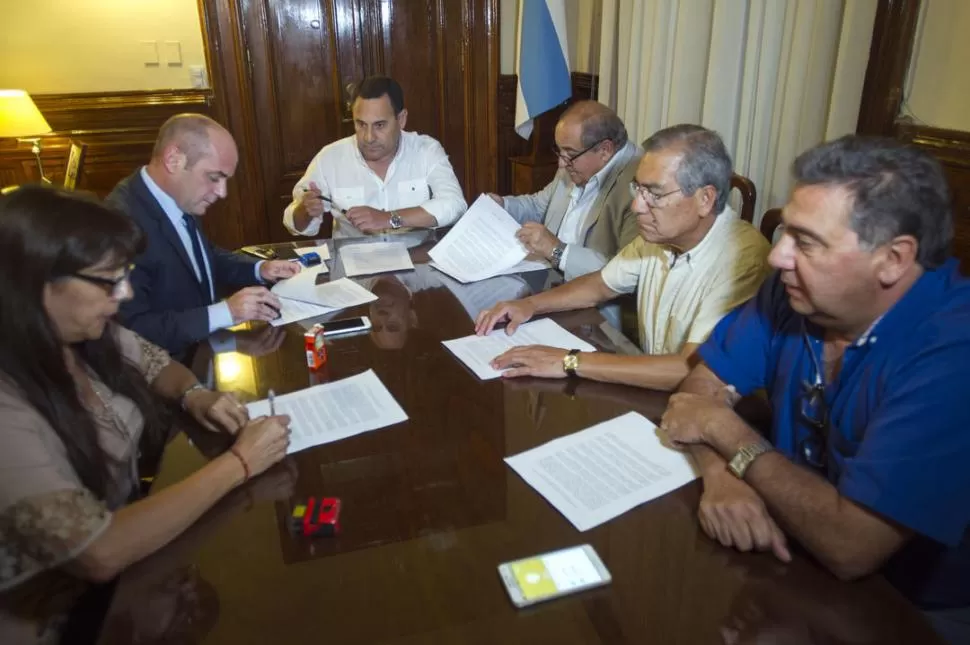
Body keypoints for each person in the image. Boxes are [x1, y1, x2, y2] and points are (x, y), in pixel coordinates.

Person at [659, 136, 970, 644]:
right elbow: (699, 388)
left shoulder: (955, 353)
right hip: (793, 549)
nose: (778, 256)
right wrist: (722, 479)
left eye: (805, 242)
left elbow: (851, 547)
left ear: (893, 259)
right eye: (784, 233)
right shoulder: (793, 292)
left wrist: (724, 432)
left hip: (912, 607)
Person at [0, 187, 292, 645]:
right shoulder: (7, 405)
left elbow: (153, 361)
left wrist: (195, 395)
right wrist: (239, 463)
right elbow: (98, 550)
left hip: (129, 568)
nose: (127, 292)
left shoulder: (82, 334)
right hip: (62, 618)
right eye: (109, 281)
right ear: (38, 283)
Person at [475, 125, 770, 392]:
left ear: (705, 198)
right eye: (637, 188)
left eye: (654, 193)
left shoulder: (743, 259)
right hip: (653, 387)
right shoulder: (661, 235)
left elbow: (691, 368)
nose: (637, 205)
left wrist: (571, 362)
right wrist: (529, 305)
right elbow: (600, 285)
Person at [107, 114, 300, 359]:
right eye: (214, 178)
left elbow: (202, 256)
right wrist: (226, 312)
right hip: (167, 373)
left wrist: (260, 269)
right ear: (173, 160)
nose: (221, 192)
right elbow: (133, 330)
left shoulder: (177, 196)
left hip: (207, 348)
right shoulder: (120, 224)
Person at [283, 75, 467, 239]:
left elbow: (454, 204)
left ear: (401, 119)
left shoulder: (426, 149)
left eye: (379, 125)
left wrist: (389, 218)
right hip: (354, 265)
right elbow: (296, 225)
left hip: (416, 260)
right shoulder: (330, 157)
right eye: (361, 124)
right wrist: (304, 212)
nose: (368, 137)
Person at [488, 100, 642, 280]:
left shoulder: (640, 187)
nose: (561, 163)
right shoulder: (576, 163)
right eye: (560, 152)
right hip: (548, 276)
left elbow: (625, 272)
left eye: (570, 154)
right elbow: (539, 206)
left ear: (605, 150)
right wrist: (503, 204)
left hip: (594, 300)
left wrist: (557, 251)